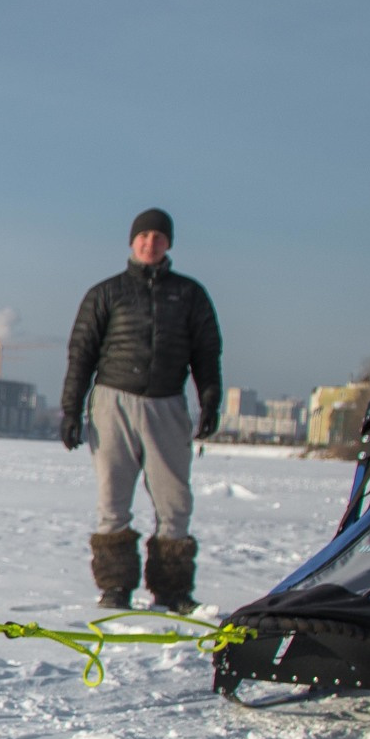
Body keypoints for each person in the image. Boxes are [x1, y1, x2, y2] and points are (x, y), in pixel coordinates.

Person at [59, 209, 223, 612]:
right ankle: (115, 587)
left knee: (174, 502)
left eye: (159, 236)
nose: (151, 243)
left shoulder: (190, 294)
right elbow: (81, 354)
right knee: (112, 501)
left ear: (169, 243)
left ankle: (172, 590)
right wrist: (70, 410)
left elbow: (207, 352)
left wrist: (210, 401)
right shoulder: (106, 293)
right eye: (144, 235)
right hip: (112, 402)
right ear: (132, 241)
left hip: (167, 404)